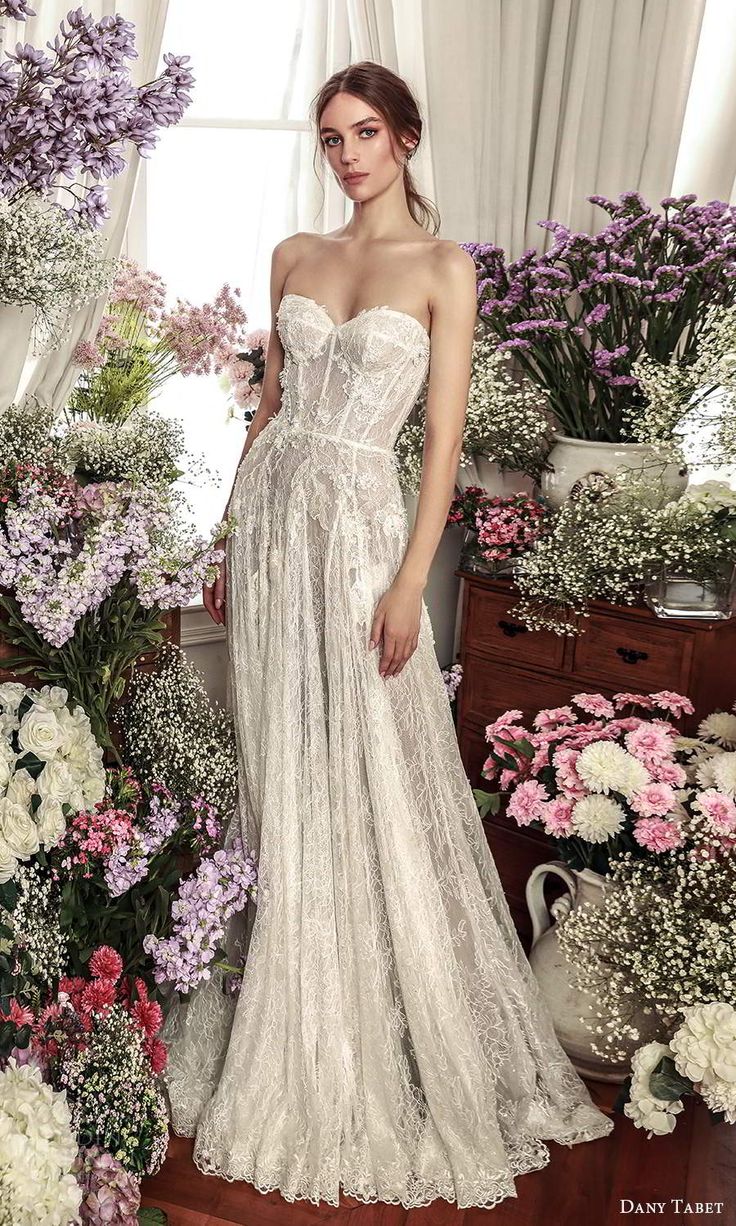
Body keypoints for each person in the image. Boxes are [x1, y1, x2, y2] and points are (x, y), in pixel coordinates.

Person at [163, 60, 614, 1211]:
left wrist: (412, 580)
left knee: (369, 758)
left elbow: (445, 441)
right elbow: (266, 411)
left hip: (364, 530)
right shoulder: (293, 259)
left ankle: (377, 1016)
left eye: (365, 132)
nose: (348, 152)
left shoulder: (442, 269)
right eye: (330, 137)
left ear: (406, 139)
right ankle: (287, 983)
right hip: (271, 527)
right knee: (279, 755)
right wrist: (223, 537)